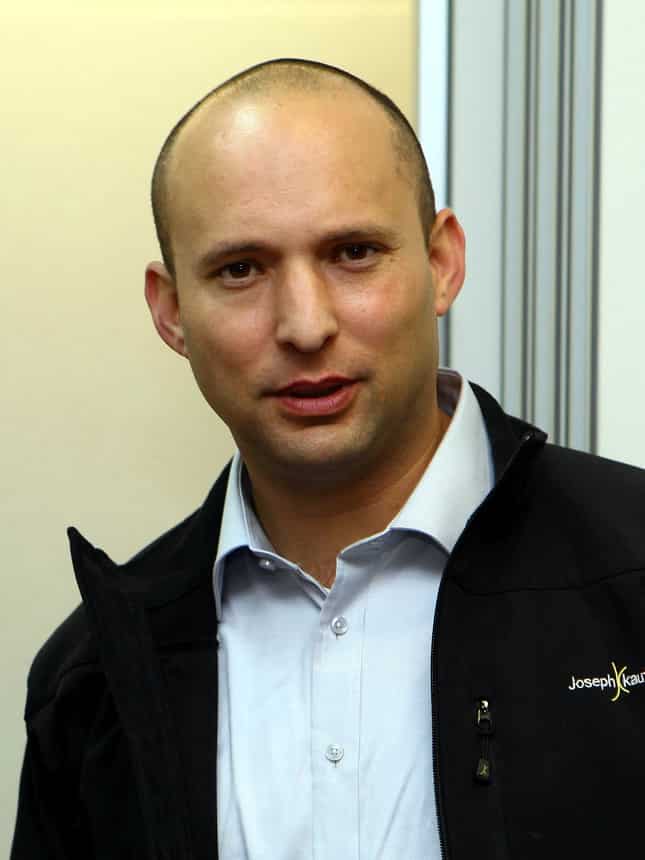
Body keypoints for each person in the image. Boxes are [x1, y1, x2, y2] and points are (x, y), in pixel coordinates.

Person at [11, 58, 645, 860]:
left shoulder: (630, 566)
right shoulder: (95, 675)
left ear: (441, 263)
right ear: (171, 313)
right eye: (241, 270)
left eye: (352, 252)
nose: (305, 326)